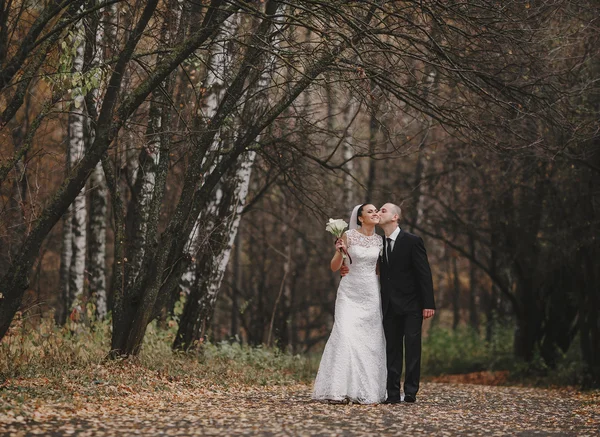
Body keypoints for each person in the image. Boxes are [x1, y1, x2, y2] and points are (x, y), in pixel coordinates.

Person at [312, 204, 387, 404]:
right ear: (360, 218)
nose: (375, 213)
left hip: (370, 294)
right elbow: (335, 266)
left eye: (376, 211)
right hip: (349, 293)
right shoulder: (348, 236)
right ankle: (337, 390)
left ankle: (363, 390)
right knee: (344, 334)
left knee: (368, 342)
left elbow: (379, 269)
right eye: (370, 211)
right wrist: (339, 252)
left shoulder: (380, 240)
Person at [377, 203, 435, 404]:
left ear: (395, 217)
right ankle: (392, 394)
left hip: (412, 305)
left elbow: (424, 273)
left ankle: (410, 391)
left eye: (383, 210)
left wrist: (429, 303)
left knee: (412, 347)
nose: (378, 212)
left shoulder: (412, 241)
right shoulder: (379, 244)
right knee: (392, 350)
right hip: (389, 306)